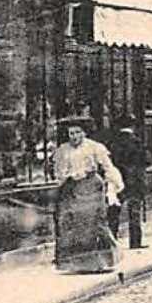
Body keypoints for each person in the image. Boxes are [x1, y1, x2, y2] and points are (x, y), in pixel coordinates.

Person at [50, 116, 123, 273]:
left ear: (84, 133)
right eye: (71, 133)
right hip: (72, 189)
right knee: (72, 223)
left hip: (92, 188)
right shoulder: (63, 150)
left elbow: (108, 167)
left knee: (93, 223)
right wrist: (66, 176)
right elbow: (58, 172)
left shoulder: (95, 147)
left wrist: (112, 188)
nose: (75, 137)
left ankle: (99, 262)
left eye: (78, 132)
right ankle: (75, 263)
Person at [106, 116, 148, 250]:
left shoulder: (113, 143)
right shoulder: (137, 142)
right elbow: (146, 161)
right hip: (134, 181)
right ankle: (135, 242)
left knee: (114, 211)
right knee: (134, 212)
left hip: (117, 180)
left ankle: (112, 241)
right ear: (133, 127)